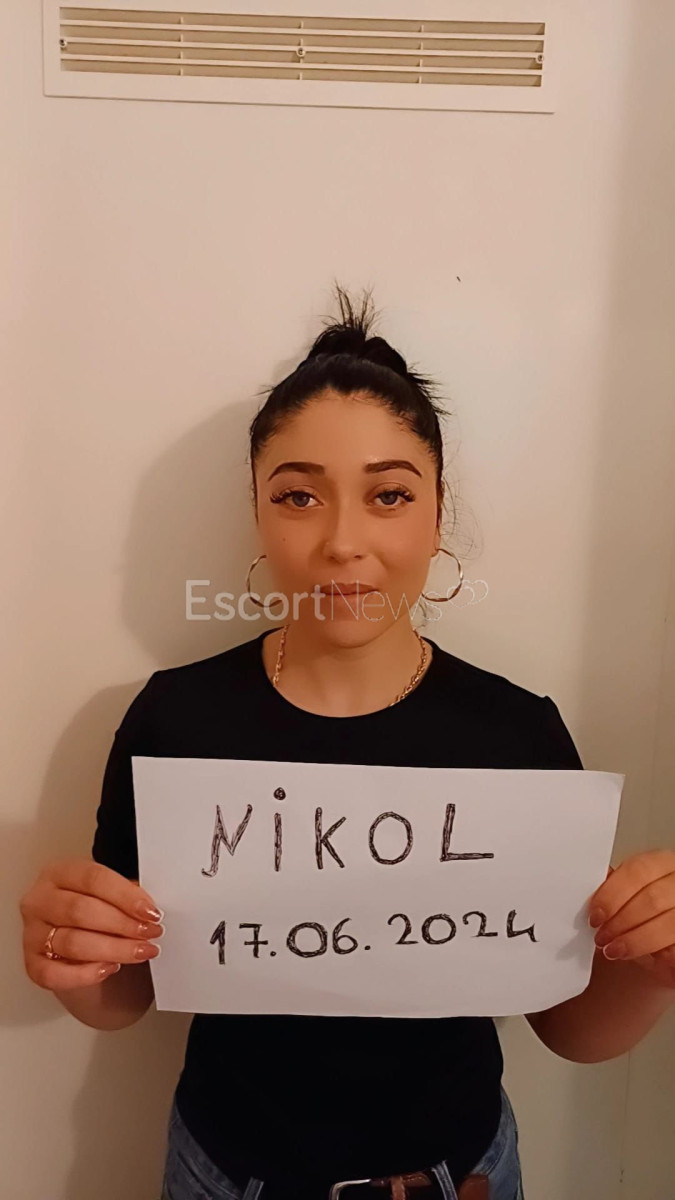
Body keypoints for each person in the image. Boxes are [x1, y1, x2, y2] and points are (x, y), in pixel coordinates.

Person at [19, 285, 675, 1200]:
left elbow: (568, 1026)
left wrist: (650, 969)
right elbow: (127, 993)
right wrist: (72, 960)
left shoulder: (513, 731)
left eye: (388, 495)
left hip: (460, 1172)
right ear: (257, 513)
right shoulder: (176, 720)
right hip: (225, 1171)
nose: (342, 541)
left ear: (436, 515)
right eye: (298, 496)